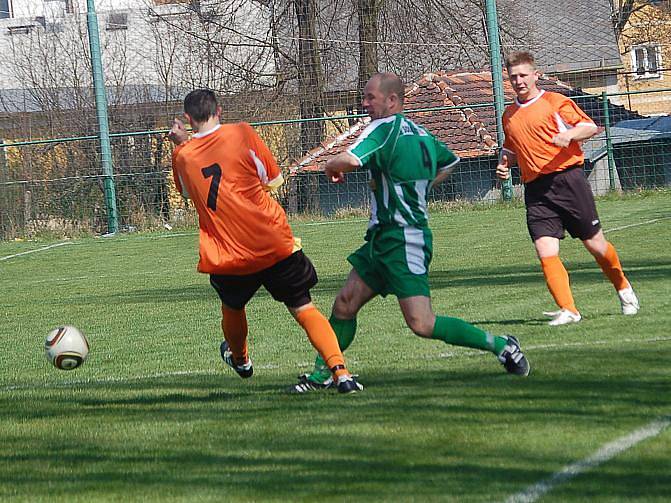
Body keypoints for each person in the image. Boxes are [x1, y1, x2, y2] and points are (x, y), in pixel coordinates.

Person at [289, 72, 530, 393]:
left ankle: (501, 345)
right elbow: (449, 161)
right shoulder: (419, 133)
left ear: (392, 100)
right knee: (344, 305)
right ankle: (323, 374)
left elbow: (349, 159)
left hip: (405, 241)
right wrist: (419, 187)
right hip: (382, 238)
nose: (364, 103)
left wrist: (331, 166)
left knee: (422, 323)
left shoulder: (382, 128)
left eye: (369, 98)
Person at [168, 89, 361, 394]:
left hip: (228, 251)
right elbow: (273, 180)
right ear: (220, 110)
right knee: (304, 307)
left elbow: (188, 194)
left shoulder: (182, 155)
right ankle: (341, 372)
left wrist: (183, 146)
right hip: (271, 240)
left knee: (232, 307)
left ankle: (241, 360)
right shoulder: (242, 133)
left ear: (188, 119)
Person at [497, 51, 639, 326]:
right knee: (544, 250)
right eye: (513, 77)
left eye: (523, 75)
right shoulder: (509, 114)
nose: (518, 81)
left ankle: (623, 288)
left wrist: (568, 135)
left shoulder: (554, 101)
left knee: (595, 245)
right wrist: (504, 162)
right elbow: (511, 147)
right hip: (536, 190)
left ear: (535, 75)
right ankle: (569, 310)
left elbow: (588, 126)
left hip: (568, 181)